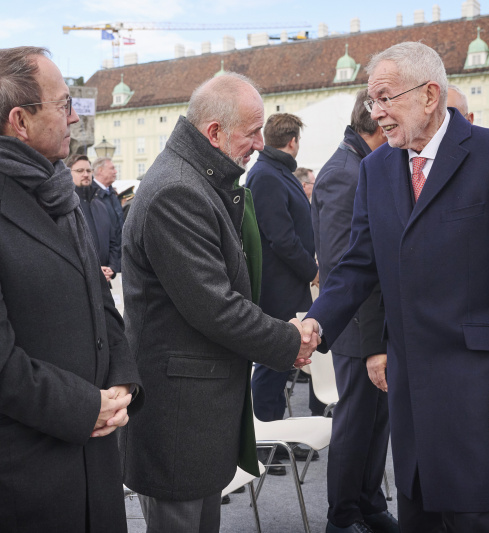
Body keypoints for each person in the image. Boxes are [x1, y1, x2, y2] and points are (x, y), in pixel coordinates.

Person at [300, 42, 489, 532]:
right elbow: (356, 267)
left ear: (430, 95)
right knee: (419, 516)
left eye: (386, 98)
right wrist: (313, 324)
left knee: (481, 518)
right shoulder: (376, 170)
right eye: (372, 101)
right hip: (411, 392)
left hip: (482, 391)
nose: (377, 113)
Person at [0, 46, 143, 533]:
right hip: (23, 479)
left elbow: (101, 305)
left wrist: (121, 380)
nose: (74, 117)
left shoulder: (59, 194)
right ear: (20, 121)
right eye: (62, 105)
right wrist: (85, 407)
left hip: (94, 459)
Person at [121, 72, 316, 533]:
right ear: (215, 133)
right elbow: (216, 306)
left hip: (195, 410)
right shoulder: (178, 190)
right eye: (252, 132)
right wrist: (289, 340)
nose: (258, 144)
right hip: (178, 417)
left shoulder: (196, 179)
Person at [312, 89, 397, 533]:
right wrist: (369, 345)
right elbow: (345, 268)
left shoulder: (362, 164)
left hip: (374, 326)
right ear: (374, 125)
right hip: (357, 328)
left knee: (375, 425)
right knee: (354, 426)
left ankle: (369, 505)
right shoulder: (344, 173)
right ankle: (342, 516)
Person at [248, 113, 325, 429]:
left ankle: (278, 430)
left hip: (285, 283)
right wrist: (312, 270)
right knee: (273, 359)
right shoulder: (267, 174)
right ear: (293, 141)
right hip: (277, 286)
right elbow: (280, 236)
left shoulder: (276, 171)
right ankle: (267, 439)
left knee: (285, 357)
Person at [68, 154, 120, 282]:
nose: (85, 174)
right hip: (81, 281)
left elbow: (113, 242)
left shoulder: (100, 205)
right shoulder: (66, 206)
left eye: (88, 170)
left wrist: (112, 267)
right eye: (80, 171)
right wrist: (94, 269)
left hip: (105, 280)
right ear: (68, 174)